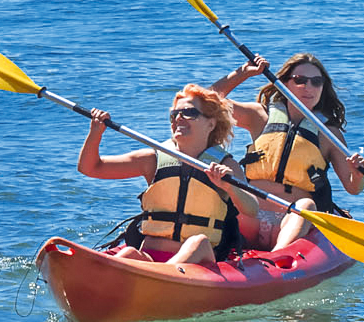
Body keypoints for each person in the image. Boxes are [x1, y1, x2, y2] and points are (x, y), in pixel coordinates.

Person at [77, 84, 258, 269]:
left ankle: (162, 274)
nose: (178, 118)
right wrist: (95, 133)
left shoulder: (225, 166)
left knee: (199, 242)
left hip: (197, 260)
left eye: (189, 113)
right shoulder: (152, 159)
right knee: (128, 253)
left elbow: (252, 209)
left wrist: (229, 187)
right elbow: (90, 168)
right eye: (174, 114)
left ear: (210, 124)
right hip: (151, 255)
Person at [210, 53, 364, 251]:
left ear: (323, 87)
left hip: (290, 221)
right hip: (250, 216)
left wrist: (357, 174)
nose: (308, 87)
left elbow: (353, 188)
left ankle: (278, 256)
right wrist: (243, 73)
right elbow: (206, 102)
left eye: (316, 82)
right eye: (300, 80)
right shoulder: (260, 115)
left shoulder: (328, 133)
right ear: (284, 83)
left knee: (306, 205)